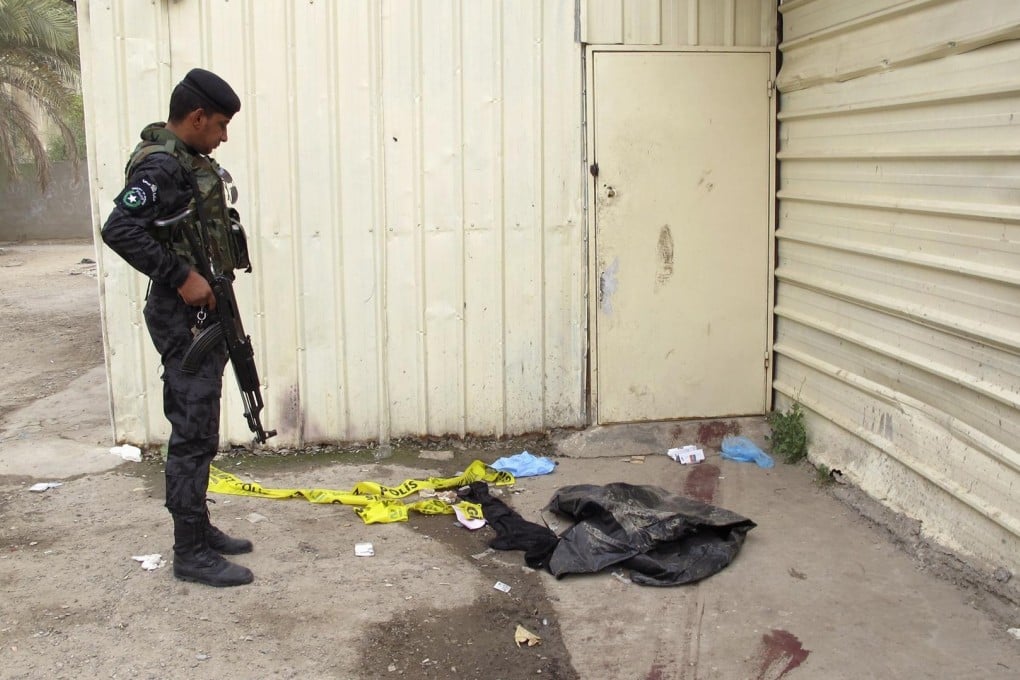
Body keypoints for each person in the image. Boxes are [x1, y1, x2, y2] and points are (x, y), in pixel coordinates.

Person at [102, 68, 255, 587]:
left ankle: (199, 528)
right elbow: (119, 229)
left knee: (201, 426)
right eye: (221, 125)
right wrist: (181, 276)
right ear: (197, 117)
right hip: (181, 317)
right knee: (191, 431)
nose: (224, 137)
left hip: (202, 313)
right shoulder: (162, 167)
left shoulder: (185, 161)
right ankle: (189, 552)